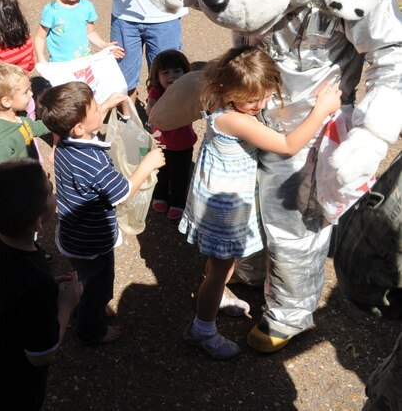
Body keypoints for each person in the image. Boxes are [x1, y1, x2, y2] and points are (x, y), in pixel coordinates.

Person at [180, 48, 341, 360]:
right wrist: (321, 109)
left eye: (265, 97)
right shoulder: (237, 120)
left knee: (218, 265)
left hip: (214, 198)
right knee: (218, 270)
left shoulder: (217, 96)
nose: (261, 106)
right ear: (229, 92)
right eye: (252, 100)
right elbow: (287, 145)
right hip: (225, 210)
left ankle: (216, 296)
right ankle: (202, 329)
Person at [37, 82, 165, 343]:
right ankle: (91, 329)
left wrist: (104, 106)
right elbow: (122, 192)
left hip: (74, 234)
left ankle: (85, 301)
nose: (99, 108)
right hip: (92, 238)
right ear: (80, 127)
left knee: (86, 276)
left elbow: (80, 127)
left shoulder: (64, 143)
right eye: (95, 108)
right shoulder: (92, 162)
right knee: (100, 283)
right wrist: (147, 164)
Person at [0, 159, 82, 411]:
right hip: (11, 392)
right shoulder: (33, 280)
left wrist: (48, 289)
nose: (51, 185)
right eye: (49, 189)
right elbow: (41, 354)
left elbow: (7, 290)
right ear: (38, 223)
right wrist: (66, 305)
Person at [145, 49, 196, 220]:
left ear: (185, 73)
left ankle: (178, 202)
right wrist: (152, 110)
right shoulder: (156, 91)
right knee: (161, 171)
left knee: (180, 175)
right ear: (157, 76)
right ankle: (160, 195)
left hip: (183, 143)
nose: (172, 76)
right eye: (165, 72)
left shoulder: (187, 92)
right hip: (161, 142)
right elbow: (150, 104)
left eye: (177, 71)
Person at [0, 63, 50, 168]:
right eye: (26, 92)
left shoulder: (20, 115)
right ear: (7, 102)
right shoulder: (1, 143)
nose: (31, 94)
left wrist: (57, 121)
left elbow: (33, 128)